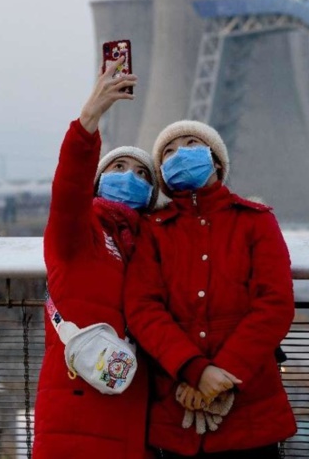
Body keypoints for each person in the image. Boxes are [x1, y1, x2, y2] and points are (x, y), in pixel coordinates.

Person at [125, 120, 296, 458]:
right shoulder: (154, 232)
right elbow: (143, 307)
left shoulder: (255, 221)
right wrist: (194, 370)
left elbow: (274, 303)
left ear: (216, 160)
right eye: (168, 152)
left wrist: (222, 375)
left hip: (250, 410)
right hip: (178, 409)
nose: (179, 155)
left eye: (190, 144)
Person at [33, 57, 156, 458]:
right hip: (75, 411)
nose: (130, 177)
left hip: (133, 412)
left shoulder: (152, 247)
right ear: (99, 181)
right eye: (119, 167)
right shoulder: (79, 232)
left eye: (142, 174)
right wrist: (90, 117)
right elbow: (68, 187)